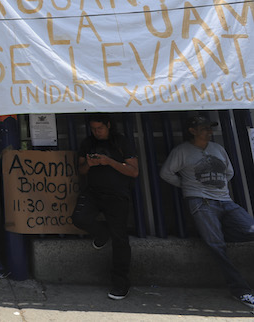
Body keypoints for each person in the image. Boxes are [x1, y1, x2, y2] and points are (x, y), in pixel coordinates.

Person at [160, 114, 254, 310]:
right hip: (201, 202)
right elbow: (166, 172)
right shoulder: (182, 151)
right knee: (216, 245)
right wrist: (187, 186)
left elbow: (229, 172)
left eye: (209, 127)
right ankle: (240, 290)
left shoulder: (218, 149)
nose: (209, 131)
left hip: (226, 201)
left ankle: (217, 231)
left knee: (250, 229)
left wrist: (217, 186)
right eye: (204, 128)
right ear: (192, 131)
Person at [71, 113, 138, 300]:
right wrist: (90, 164)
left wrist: (109, 162)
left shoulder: (121, 142)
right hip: (93, 191)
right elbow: (81, 170)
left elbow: (133, 171)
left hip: (117, 195)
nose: (96, 132)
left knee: (120, 240)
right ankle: (102, 233)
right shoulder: (88, 143)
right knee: (79, 218)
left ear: (108, 125)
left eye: (99, 128)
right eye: (93, 129)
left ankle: (120, 283)